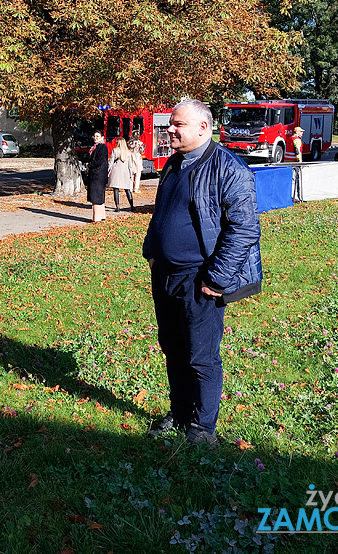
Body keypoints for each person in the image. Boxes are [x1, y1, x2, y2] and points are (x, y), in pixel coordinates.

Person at [142, 100, 262, 447]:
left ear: (203, 128)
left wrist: (216, 278)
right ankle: (180, 414)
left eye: (177, 124)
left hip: (200, 279)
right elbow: (161, 213)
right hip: (166, 275)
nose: (170, 129)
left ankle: (202, 428)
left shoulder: (230, 169)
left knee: (201, 355)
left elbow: (244, 229)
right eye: (170, 124)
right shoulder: (174, 164)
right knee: (174, 348)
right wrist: (153, 252)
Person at [86, 131, 109, 222]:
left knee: (96, 196)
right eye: (94, 136)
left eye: (97, 136)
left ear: (102, 137)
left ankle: (96, 218)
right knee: (99, 196)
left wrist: (89, 165)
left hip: (98, 175)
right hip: (98, 174)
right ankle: (102, 216)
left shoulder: (102, 147)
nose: (95, 138)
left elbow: (99, 161)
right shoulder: (96, 147)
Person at [107, 137, 134, 211]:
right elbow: (130, 165)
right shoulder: (128, 152)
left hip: (116, 172)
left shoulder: (115, 151)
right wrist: (131, 175)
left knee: (116, 189)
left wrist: (107, 171)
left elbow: (111, 163)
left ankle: (117, 206)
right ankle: (132, 206)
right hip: (125, 173)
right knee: (127, 190)